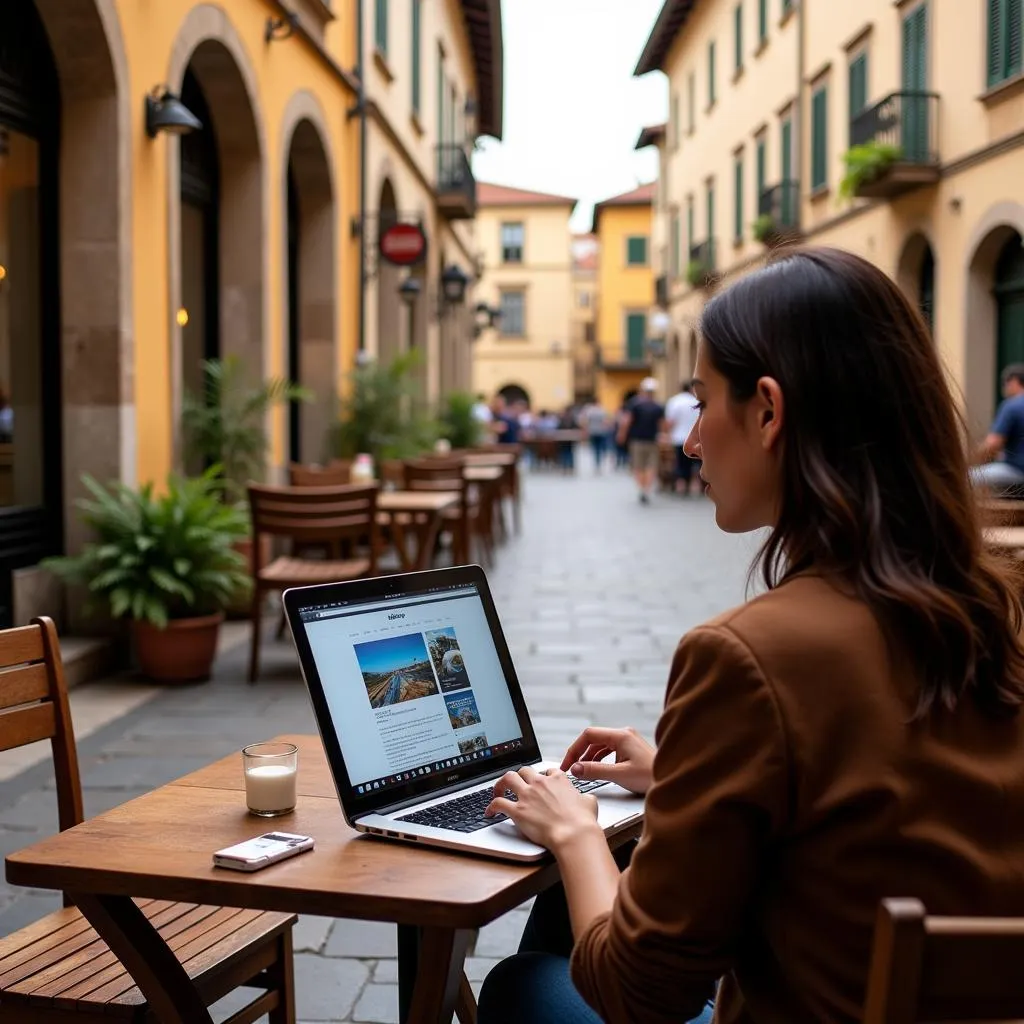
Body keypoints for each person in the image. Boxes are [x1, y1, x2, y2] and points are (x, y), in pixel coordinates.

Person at [476, 247, 1024, 1024]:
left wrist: (575, 836)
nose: (692, 440)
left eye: (702, 403)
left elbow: (642, 993)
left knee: (523, 982)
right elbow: (880, 815)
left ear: (768, 411)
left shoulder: (750, 656)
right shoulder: (993, 603)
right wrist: (679, 778)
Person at [971, 363, 1024, 494]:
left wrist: (969, 460)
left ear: (1013, 382)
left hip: (1017, 470)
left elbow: (992, 444)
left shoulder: (1012, 406)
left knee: (966, 478)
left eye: (1005, 384)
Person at [616, 377, 664, 504]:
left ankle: (642, 489)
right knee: (651, 466)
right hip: (652, 440)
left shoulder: (634, 404)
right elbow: (662, 425)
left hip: (637, 440)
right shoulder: (658, 406)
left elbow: (627, 421)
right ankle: (647, 489)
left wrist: (621, 435)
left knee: (638, 466)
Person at [663, 380, 701, 494]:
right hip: (696, 438)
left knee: (680, 463)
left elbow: (670, 421)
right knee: (696, 464)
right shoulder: (697, 401)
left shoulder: (674, 401)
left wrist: (667, 434)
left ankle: (681, 486)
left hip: (678, 438)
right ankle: (696, 486)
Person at [578, 399, 612, 472]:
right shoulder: (602, 411)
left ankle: (596, 464)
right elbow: (606, 421)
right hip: (601, 432)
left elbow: (585, 422)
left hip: (592, 432)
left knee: (594, 449)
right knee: (601, 448)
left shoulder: (589, 411)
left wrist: (585, 431)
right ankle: (599, 463)